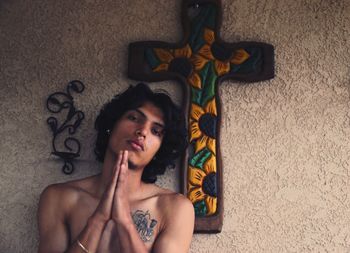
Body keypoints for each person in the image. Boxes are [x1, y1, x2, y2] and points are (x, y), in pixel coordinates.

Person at [38, 83, 195, 253]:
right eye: (134, 118)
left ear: (160, 149)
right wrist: (97, 221)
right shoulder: (59, 198)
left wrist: (125, 222)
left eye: (156, 131)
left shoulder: (173, 208)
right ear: (111, 125)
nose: (142, 131)